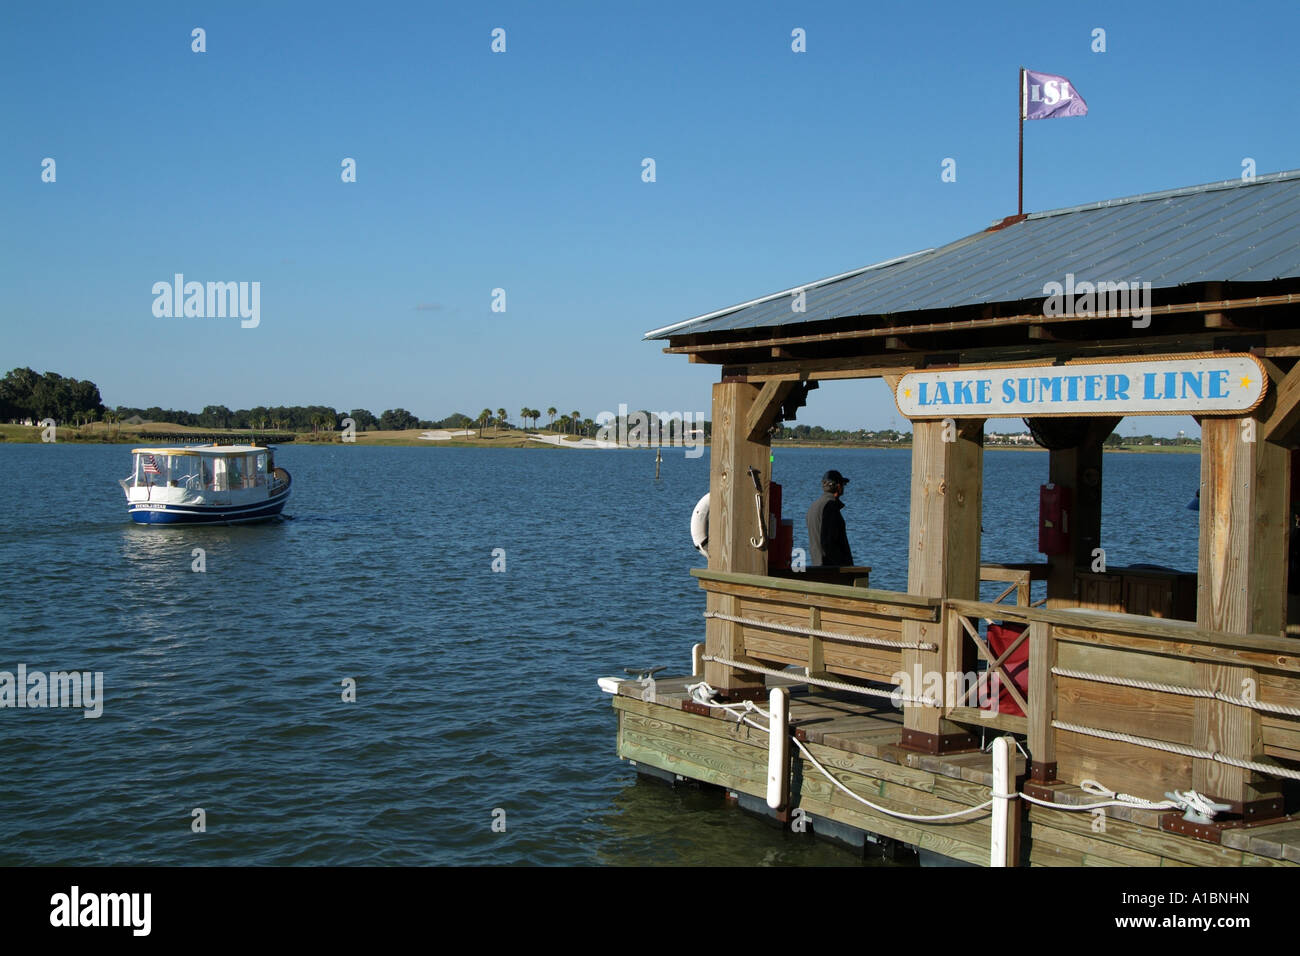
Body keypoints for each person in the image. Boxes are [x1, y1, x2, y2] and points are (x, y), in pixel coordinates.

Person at [806, 470, 854, 566]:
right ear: (839, 486)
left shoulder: (814, 506)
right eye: (843, 484)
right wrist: (844, 565)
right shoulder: (830, 507)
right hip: (831, 569)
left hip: (817, 564)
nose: (843, 487)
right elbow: (829, 542)